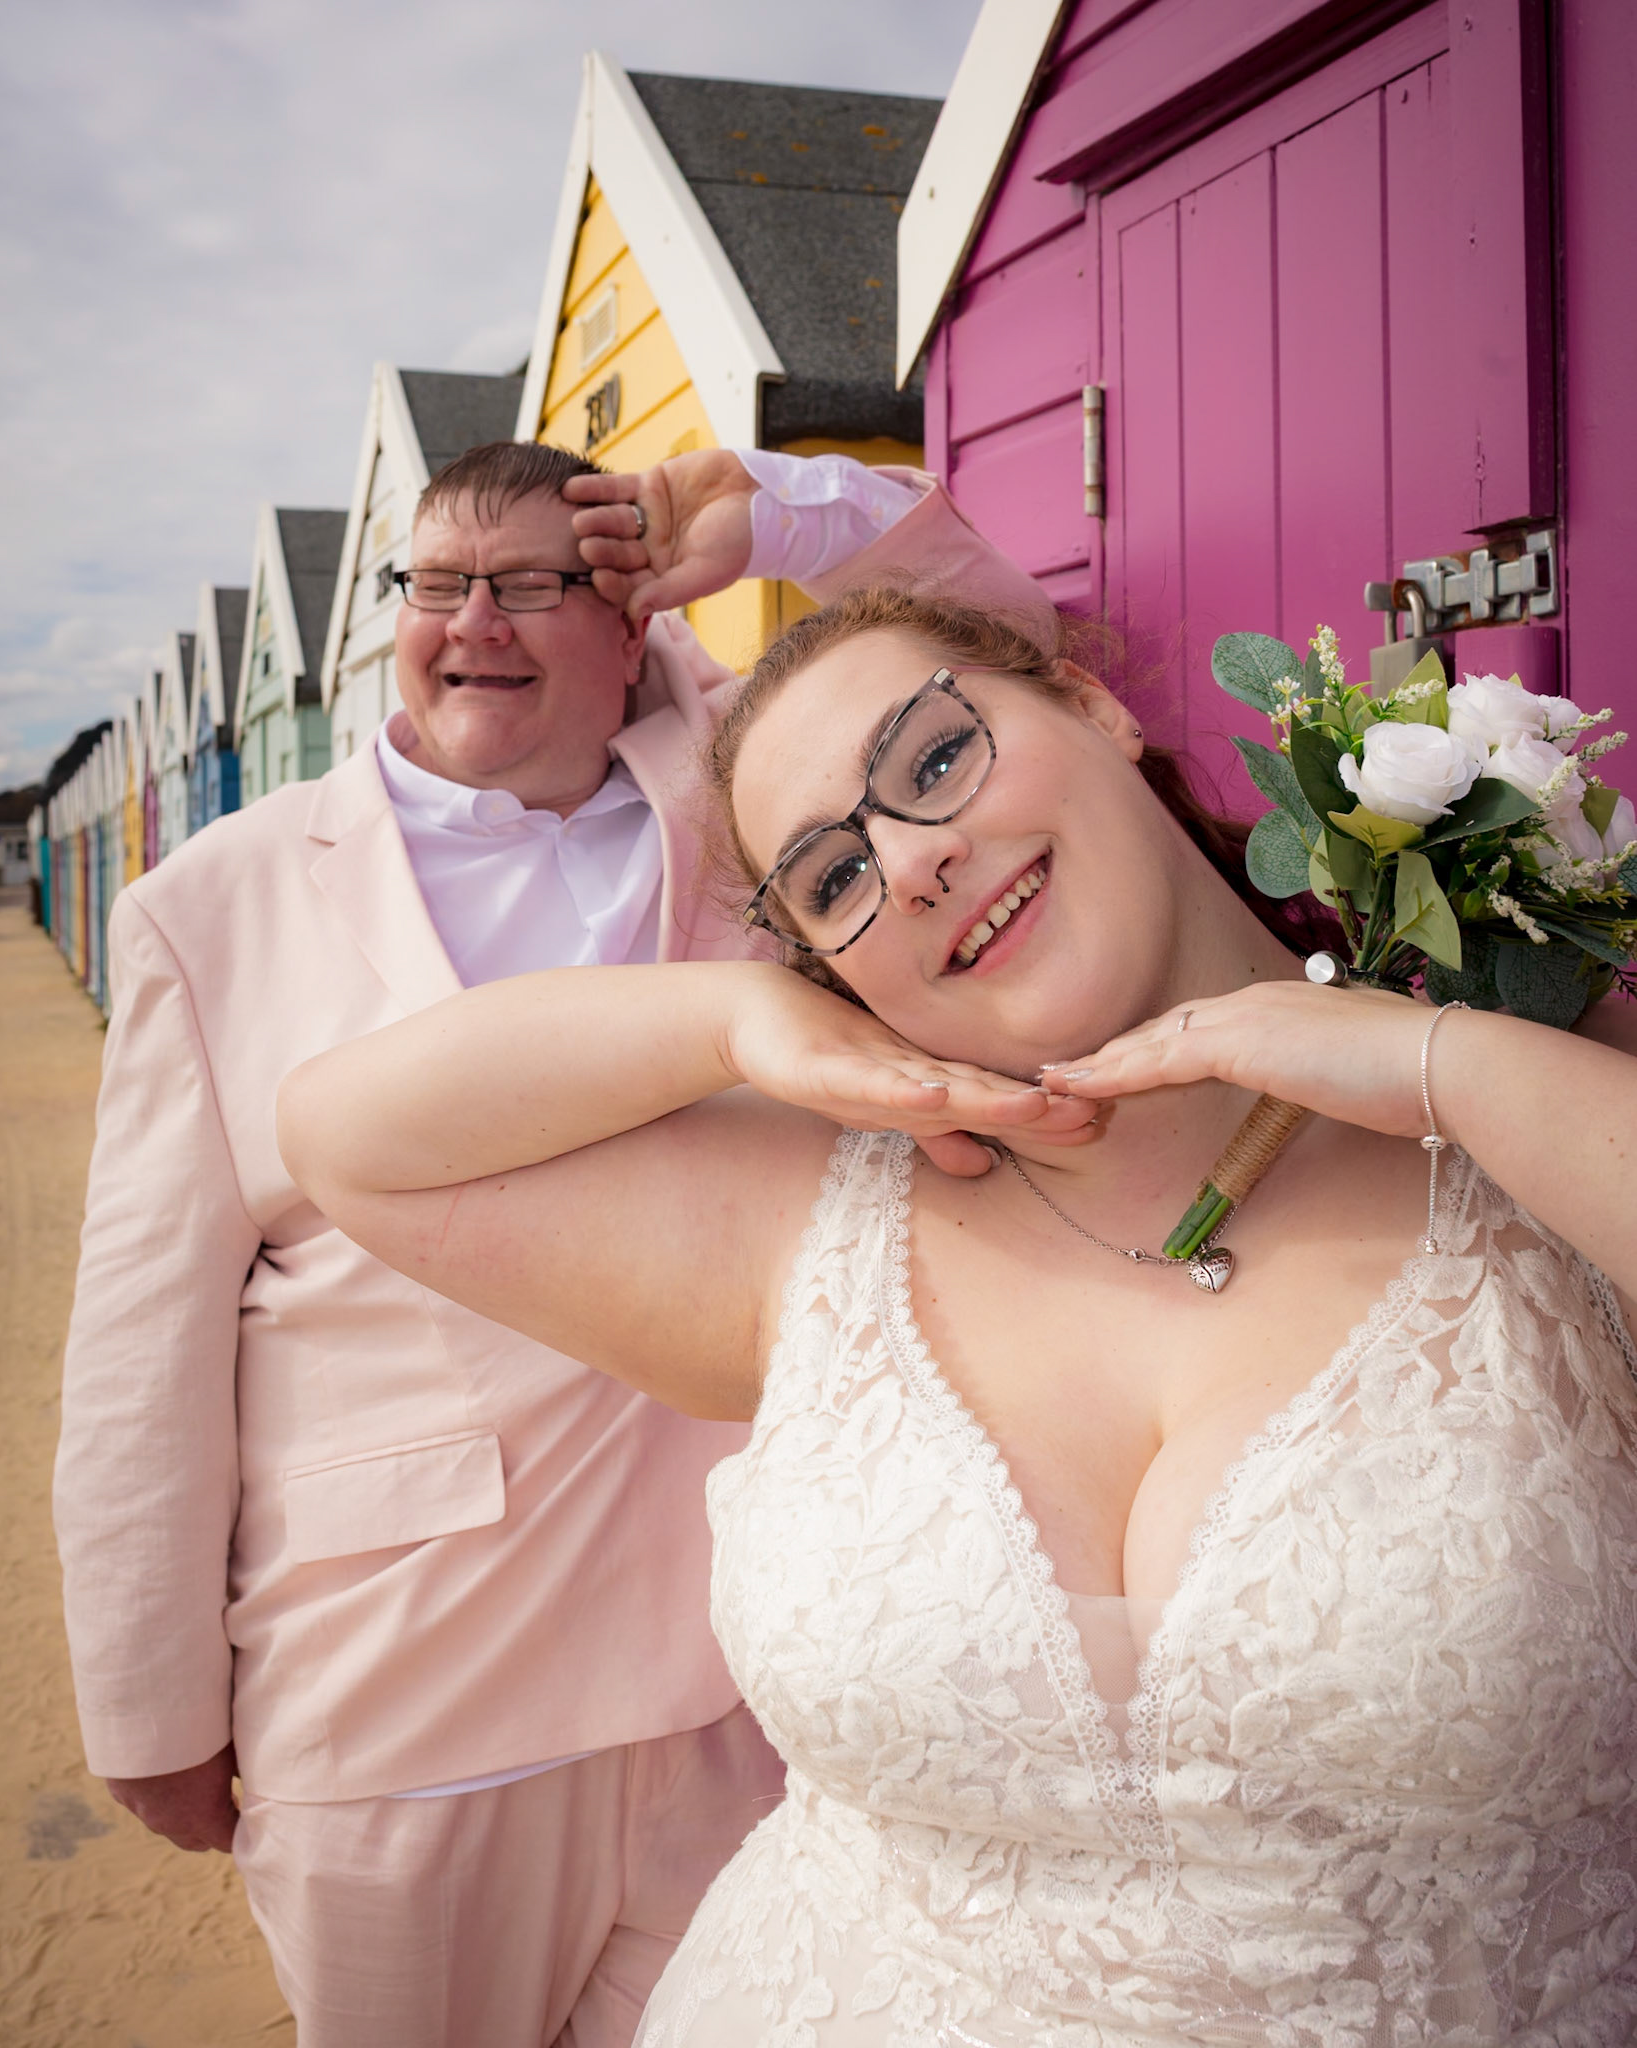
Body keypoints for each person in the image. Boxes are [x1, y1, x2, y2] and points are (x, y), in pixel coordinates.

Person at [278, 548, 1637, 2042]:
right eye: (835, 879)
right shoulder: (820, 1218)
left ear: (1093, 707)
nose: (912, 859)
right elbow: (354, 1139)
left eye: (934, 758)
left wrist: (1440, 1067)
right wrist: (735, 1018)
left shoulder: (1544, 1120)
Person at [52, 438, 1051, 2048]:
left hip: (762, 1672)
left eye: (534, 584)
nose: (475, 625)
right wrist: (148, 1698)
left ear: (635, 614)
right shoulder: (215, 899)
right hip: (411, 1695)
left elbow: (1018, 661)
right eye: (439, 585)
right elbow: (141, 1348)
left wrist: (785, 513)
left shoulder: (745, 803)